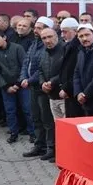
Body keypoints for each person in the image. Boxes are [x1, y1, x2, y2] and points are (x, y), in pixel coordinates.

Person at [0, 30, 32, 143]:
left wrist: (18, 84)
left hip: (21, 84)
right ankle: (13, 132)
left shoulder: (17, 48)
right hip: (6, 87)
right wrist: (5, 86)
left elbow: (24, 65)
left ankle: (33, 133)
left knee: (27, 109)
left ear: (4, 37)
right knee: (10, 110)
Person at [35, 26, 64, 162]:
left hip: (63, 94)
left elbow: (66, 71)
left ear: (57, 36)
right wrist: (42, 83)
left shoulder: (65, 50)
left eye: (50, 37)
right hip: (49, 94)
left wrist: (51, 82)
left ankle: (63, 152)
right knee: (52, 124)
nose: (47, 40)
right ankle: (52, 150)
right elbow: (40, 70)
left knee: (65, 126)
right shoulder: (43, 52)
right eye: (44, 38)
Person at [71, 24, 93, 116]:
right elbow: (76, 73)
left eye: (87, 35)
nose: (84, 38)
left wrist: (85, 94)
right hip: (85, 100)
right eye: (81, 36)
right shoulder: (81, 51)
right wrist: (78, 93)